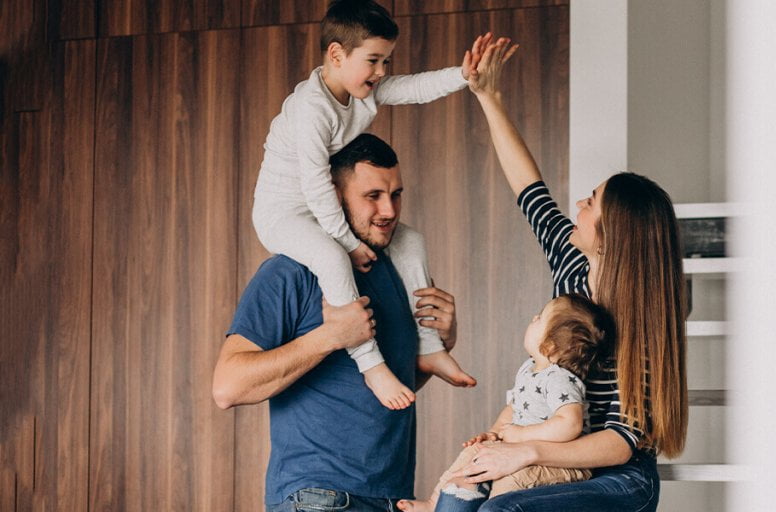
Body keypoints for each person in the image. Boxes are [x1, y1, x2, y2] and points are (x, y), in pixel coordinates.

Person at [428, 36, 689, 512]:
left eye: (591, 203)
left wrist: (525, 449)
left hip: (620, 475)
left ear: (613, 238)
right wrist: (488, 96)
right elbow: (529, 186)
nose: (578, 206)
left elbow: (621, 441)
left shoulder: (643, 319)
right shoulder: (572, 263)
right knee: (461, 496)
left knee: (501, 509)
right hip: (555, 453)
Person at [212, 134, 463, 511]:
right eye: (373, 196)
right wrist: (329, 337)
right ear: (333, 194)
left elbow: (382, 393)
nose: (390, 210)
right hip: (318, 498)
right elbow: (227, 387)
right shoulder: (290, 271)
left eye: (395, 195)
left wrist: (440, 343)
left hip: (391, 498)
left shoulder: (395, 272)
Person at [252, 0, 481, 410]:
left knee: (409, 240)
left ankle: (428, 347)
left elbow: (414, 88)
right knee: (331, 257)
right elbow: (317, 183)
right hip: (285, 213)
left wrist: (463, 76)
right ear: (337, 55)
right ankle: (369, 362)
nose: (381, 72)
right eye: (374, 61)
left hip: (324, 208)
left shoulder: (361, 92)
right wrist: (347, 241)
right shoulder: (312, 109)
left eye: (386, 61)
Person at [400, 294, 615, 511]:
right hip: (517, 449)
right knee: (472, 455)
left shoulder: (560, 379)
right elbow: (514, 407)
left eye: (540, 318)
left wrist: (522, 435)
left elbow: (570, 425)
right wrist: (493, 434)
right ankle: (434, 502)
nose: (533, 317)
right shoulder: (528, 369)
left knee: (506, 487)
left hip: (557, 463)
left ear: (548, 346)